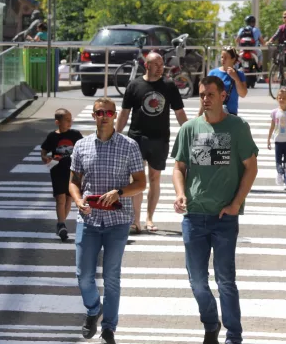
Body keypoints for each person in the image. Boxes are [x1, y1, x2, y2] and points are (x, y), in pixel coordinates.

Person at [172, 76, 258, 344]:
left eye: (210, 94)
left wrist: (235, 204)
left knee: (225, 281)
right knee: (197, 281)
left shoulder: (237, 127)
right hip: (194, 217)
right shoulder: (189, 129)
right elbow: (179, 168)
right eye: (201, 95)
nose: (205, 99)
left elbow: (251, 167)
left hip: (224, 218)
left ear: (223, 96)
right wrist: (179, 194)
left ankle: (234, 335)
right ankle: (211, 323)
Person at [69, 97, 147, 344]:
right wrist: (78, 200)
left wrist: (119, 192)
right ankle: (93, 309)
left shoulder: (129, 145)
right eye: (99, 112)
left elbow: (141, 183)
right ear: (93, 116)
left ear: (114, 115)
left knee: (112, 276)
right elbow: (73, 182)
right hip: (88, 219)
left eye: (108, 112)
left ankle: (109, 328)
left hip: (117, 221)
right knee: (83, 274)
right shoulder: (81, 146)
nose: (103, 116)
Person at [116, 52, 187, 234]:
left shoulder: (169, 86)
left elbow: (179, 112)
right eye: (156, 64)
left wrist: (189, 132)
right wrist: (115, 135)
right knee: (137, 180)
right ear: (147, 66)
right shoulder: (134, 85)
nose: (160, 68)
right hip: (136, 138)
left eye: (162, 64)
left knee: (155, 178)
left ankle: (149, 218)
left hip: (160, 138)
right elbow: (124, 113)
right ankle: (135, 220)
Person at [40, 108, 82, 241]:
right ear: (57, 122)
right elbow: (44, 150)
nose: (70, 122)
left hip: (73, 171)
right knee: (60, 198)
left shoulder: (75, 135)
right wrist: (45, 157)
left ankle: (61, 223)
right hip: (57, 170)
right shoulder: (52, 136)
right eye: (67, 120)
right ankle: (61, 224)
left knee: (69, 198)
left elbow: (84, 147)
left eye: (71, 119)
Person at [205, 47, 247, 116]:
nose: (223, 60)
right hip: (214, 113)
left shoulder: (239, 74)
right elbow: (205, 94)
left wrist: (236, 78)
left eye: (226, 58)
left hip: (231, 114)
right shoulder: (213, 73)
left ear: (233, 59)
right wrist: (200, 112)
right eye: (222, 57)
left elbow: (243, 94)